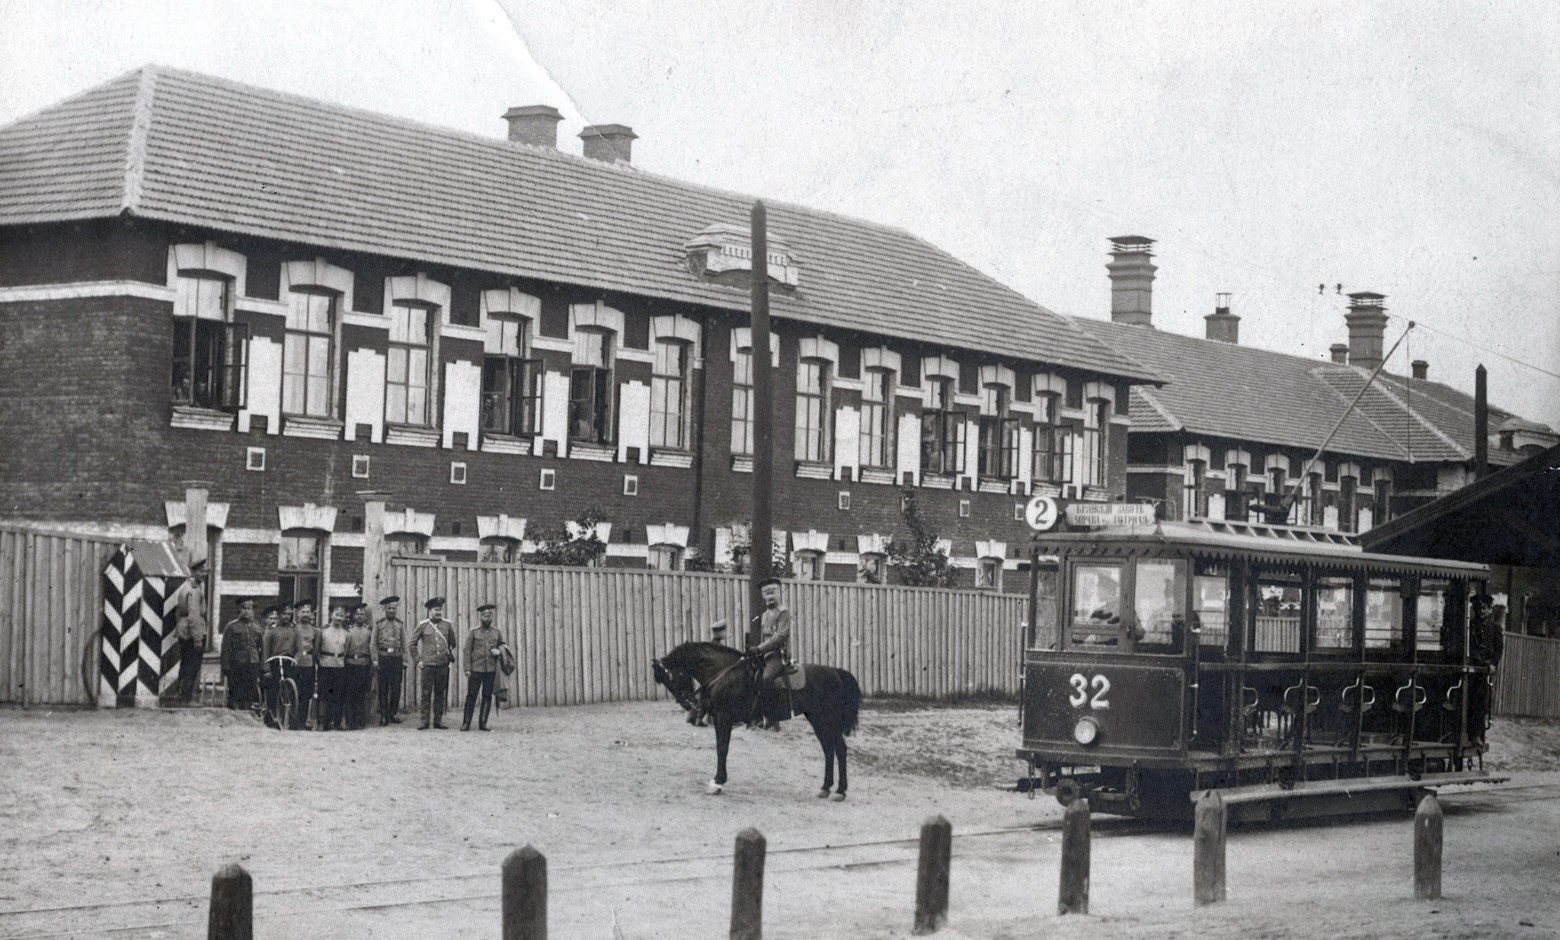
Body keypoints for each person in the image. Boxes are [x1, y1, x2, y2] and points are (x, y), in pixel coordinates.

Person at [746, 577, 793, 729]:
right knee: (750, 676)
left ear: (779, 592)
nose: (769, 596)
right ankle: (757, 718)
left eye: (772, 592)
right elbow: (762, 635)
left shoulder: (784, 613)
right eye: (766, 593)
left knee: (767, 678)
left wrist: (760, 648)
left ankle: (774, 719)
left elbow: (780, 637)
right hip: (764, 653)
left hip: (777, 653)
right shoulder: (764, 614)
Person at [409, 597, 457, 730]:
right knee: (426, 693)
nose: (438, 612)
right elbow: (412, 643)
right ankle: (424, 721)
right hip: (428, 665)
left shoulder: (447, 625)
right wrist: (418, 660)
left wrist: (447, 655)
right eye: (436, 610)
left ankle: (438, 721)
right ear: (430, 610)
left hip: (442, 664)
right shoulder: (423, 625)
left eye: (440, 609)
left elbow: (453, 642)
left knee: (440, 693)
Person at [462, 603, 506, 731]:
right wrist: (467, 668)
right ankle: (466, 723)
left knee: (487, 696)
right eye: (484, 616)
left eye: (489, 615)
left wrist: (499, 651)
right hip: (476, 669)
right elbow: (467, 651)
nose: (487, 618)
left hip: (491, 670)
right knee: (471, 696)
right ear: (480, 617)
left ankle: (483, 723)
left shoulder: (497, 632)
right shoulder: (474, 632)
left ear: (492, 617)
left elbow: (503, 646)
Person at [219, 597, 263, 712]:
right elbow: (225, 648)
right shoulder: (232, 627)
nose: (247, 611)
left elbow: (262, 648)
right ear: (239, 610)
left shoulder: (257, 627)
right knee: (235, 690)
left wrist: (261, 666)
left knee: (250, 689)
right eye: (244, 608)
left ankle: (248, 711)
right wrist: (225, 666)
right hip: (237, 663)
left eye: (250, 608)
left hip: (253, 662)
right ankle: (235, 712)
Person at [172, 577, 209, 706]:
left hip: (184, 631)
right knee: (192, 666)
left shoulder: (185, 588)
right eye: (201, 571)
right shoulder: (195, 590)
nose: (204, 573)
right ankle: (187, 699)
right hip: (192, 633)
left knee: (185, 663)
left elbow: (178, 613)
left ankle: (181, 695)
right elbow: (194, 616)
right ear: (193, 572)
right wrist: (198, 638)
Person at [316, 603, 350, 731]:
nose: (339, 618)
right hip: (325, 665)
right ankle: (322, 722)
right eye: (337, 615)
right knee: (324, 694)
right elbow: (317, 650)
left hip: (339, 666)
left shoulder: (346, 634)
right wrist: (321, 661)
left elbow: (346, 650)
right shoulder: (323, 631)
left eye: (341, 616)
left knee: (338, 694)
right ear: (331, 615)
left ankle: (336, 722)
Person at [374, 595, 407, 726]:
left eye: (394, 608)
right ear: (385, 609)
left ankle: (392, 713)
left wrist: (405, 660)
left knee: (396, 688)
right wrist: (375, 660)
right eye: (389, 608)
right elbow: (373, 644)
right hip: (383, 658)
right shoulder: (379, 623)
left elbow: (404, 644)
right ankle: (383, 715)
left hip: (396, 659)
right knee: (383, 688)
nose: (392, 611)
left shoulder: (400, 624)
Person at [344, 602, 374, 730]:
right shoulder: (348, 631)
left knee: (362, 694)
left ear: (365, 617)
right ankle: (350, 721)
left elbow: (372, 648)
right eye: (357, 614)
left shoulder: (369, 632)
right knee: (351, 694)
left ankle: (360, 720)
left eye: (362, 614)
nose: (360, 616)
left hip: (364, 665)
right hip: (351, 665)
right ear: (353, 616)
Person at [291, 600, 319, 730]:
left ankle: (304, 721)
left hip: (309, 663)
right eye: (303, 612)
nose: (306, 614)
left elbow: (316, 649)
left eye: (308, 611)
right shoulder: (294, 628)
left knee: (307, 694)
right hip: (296, 663)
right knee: (296, 692)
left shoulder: (315, 630)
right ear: (298, 613)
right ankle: (294, 721)